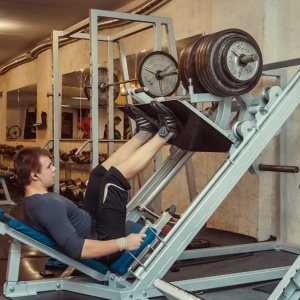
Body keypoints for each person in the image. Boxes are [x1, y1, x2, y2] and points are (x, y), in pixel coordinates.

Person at [13, 101, 181, 265]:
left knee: (98, 174)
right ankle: (166, 133)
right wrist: (123, 243)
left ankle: (145, 132)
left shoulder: (34, 200)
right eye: (49, 167)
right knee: (113, 179)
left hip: (93, 226)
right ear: (34, 176)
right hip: (105, 245)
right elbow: (77, 249)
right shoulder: (47, 207)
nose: (54, 169)